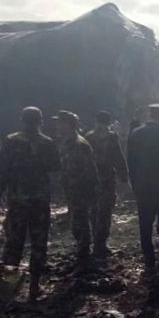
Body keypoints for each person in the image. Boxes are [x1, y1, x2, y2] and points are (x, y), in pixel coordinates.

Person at [0, 107, 61, 300]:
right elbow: (56, 167)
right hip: (40, 200)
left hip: (18, 200)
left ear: (22, 120)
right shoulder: (47, 143)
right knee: (39, 242)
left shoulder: (11, 141)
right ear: (41, 121)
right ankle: (35, 286)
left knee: (14, 242)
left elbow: (0, 169)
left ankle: (7, 287)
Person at [127, 104, 159, 271]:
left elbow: (131, 162)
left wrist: (134, 184)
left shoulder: (136, 134)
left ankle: (149, 259)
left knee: (145, 225)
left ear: (150, 114)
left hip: (143, 187)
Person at [57, 111, 99, 268]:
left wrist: (89, 190)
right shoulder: (67, 142)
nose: (57, 126)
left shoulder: (79, 144)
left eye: (60, 122)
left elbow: (89, 170)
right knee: (76, 221)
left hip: (80, 189)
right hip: (72, 189)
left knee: (80, 222)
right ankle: (82, 252)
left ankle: (84, 255)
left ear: (68, 124)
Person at [85, 110, 129, 259]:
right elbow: (118, 157)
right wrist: (124, 176)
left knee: (94, 211)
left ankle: (93, 242)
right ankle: (100, 244)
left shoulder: (88, 137)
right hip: (106, 179)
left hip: (92, 180)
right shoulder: (111, 137)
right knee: (105, 212)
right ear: (108, 122)